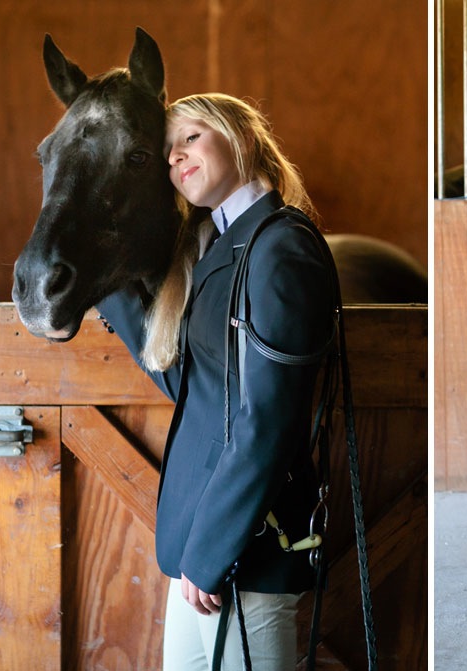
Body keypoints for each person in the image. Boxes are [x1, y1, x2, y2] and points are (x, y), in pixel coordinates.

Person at [97, 93, 335, 670]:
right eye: (169, 152)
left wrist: (210, 555)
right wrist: (108, 280)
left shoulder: (280, 247)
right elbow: (198, 391)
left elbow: (267, 422)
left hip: (242, 551)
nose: (176, 157)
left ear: (243, 139)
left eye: (191, 138)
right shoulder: (222, 247)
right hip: (200, 547)